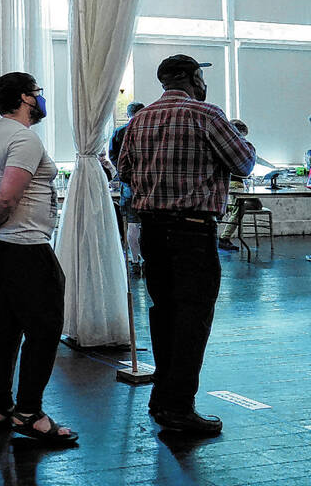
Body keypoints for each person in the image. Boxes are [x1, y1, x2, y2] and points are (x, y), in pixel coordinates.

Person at [117, 55, 255, 436]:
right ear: (195, 79)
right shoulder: (208, 115)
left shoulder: (138, 120)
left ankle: (162, 398)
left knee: (164, 314)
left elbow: (123, 169)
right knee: (193, 318)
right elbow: (244, 164)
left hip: (152, 230)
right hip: (193, 230)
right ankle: (179, 407)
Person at [0, 72, 77, 446]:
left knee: (5, 326)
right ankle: (29, 413)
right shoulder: (24, 138)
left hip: (3, 245)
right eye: (38, 94)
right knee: (44, 329)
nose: (42, 100)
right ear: (26, 98)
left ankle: (0, 407)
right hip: (24, 245)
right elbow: (7, 196)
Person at [111, 102, 145, 273]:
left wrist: (125, 176)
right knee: (151, 224)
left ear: (127, 113)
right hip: (150, 184)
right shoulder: (150, 128)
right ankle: (149, 259)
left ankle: (135, 259)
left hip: (129, 185)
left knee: (132, 224)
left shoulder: (120, 131)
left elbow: (114, 157)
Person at [217, 120, 262, 251]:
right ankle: (224, 238)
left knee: (256, 205)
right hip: (234, 184)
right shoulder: (233, 147)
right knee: (239, 209)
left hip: (235, 183)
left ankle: (223, 210)